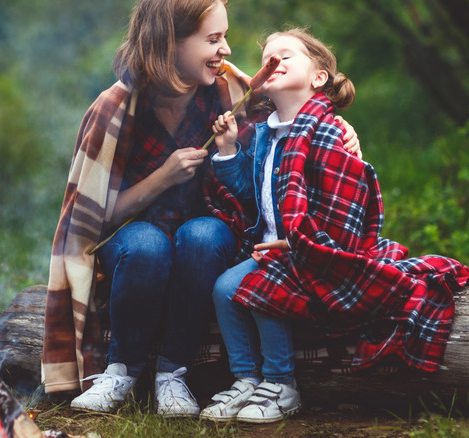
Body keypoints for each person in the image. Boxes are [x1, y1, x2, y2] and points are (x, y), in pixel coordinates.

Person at [40, 2, 361, 418]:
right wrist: (161, 178)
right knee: (147, 243)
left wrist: (341, 127)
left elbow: (301, 112)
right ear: (168, 44)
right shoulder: (116, 109)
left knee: (203, 233)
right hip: (134, 245)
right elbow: (89, 220)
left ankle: (172, 373)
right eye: (213, 39)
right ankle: (121, 370)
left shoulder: (230, 91)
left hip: (208, 243)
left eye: (224, 37)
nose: (226, 50)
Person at [200, 27, 469, 423]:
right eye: (266, 60)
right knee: (224, 289)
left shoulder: (329, 133)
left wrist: (297, 244)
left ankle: (281, 383)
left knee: (265, 288)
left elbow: (343, 207)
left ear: (318, 78)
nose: (271, 63)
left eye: (285, 56)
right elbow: (249, 194)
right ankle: (246, 379)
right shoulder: (264, 134)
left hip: (314, 249)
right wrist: (227, 148)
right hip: (268, 248)